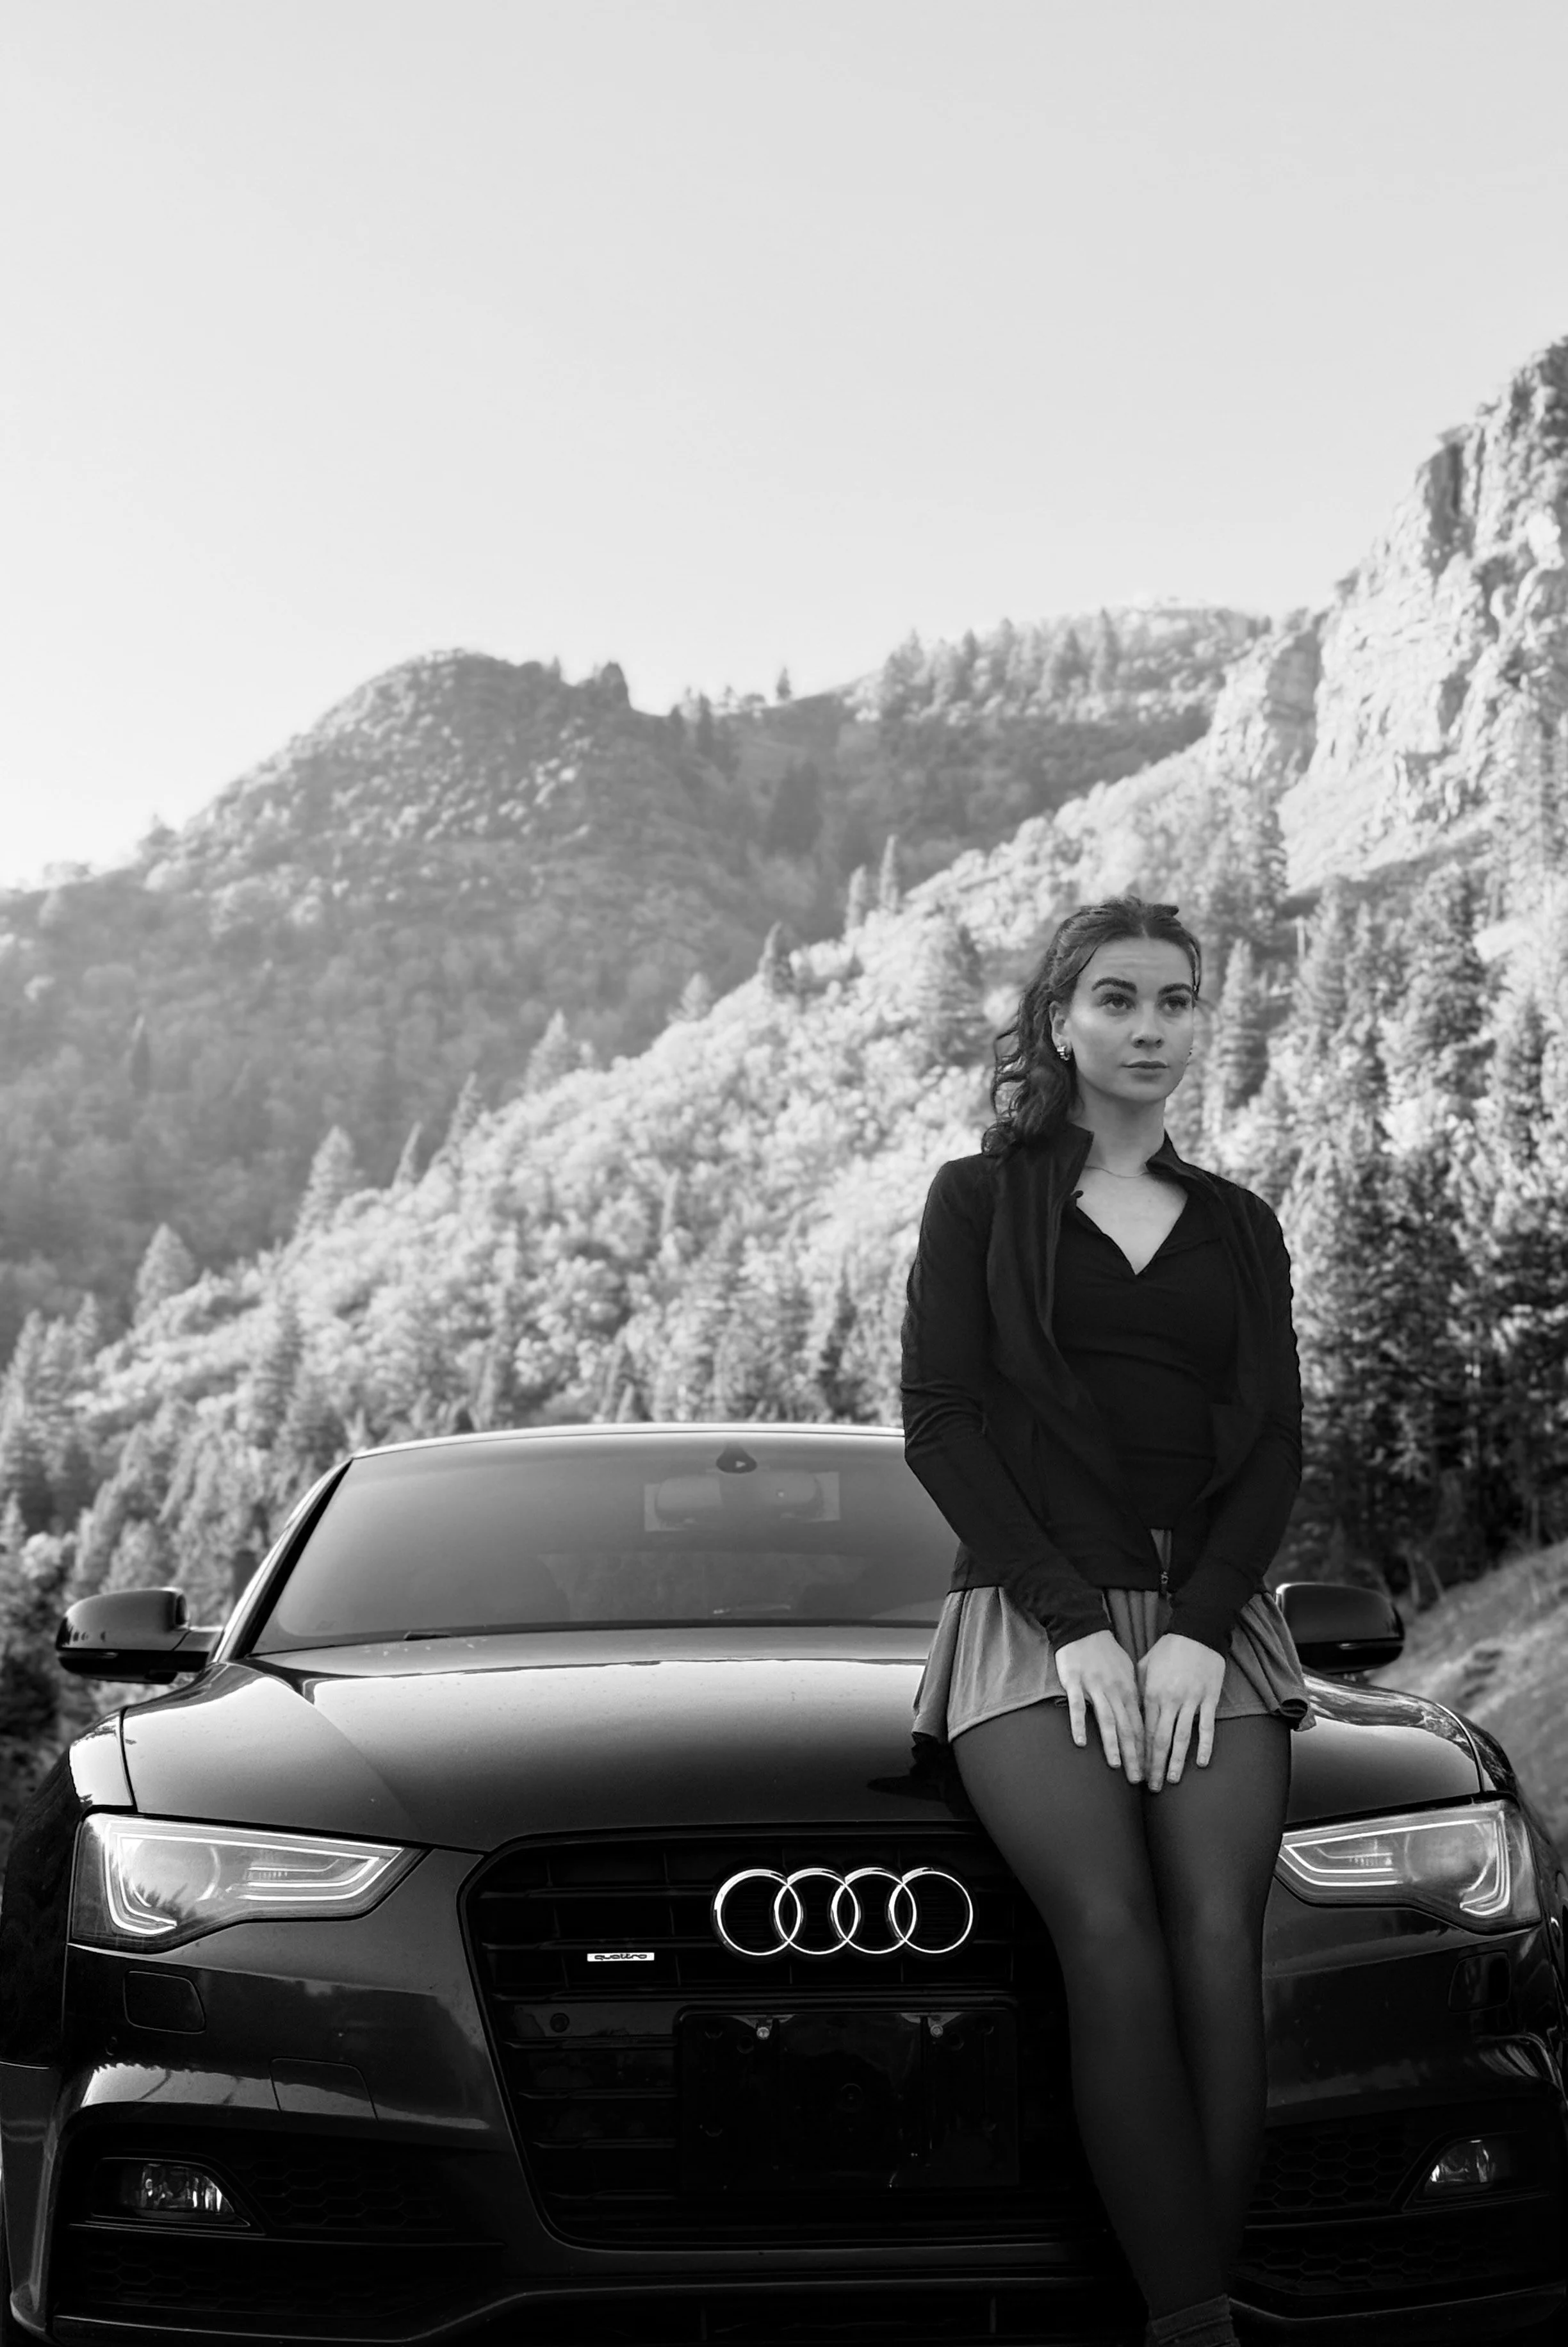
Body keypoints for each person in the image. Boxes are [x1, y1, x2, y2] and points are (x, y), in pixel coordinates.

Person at [902, 894, 1312, 2347]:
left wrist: (1201, 1626)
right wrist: (1075, 1617)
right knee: (1112, 1931)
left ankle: (1191, 2310)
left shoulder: (1243, 1224)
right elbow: (943, 1425)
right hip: (1032, 1622)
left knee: (1220, 1938)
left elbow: (1273, 1444)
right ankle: (1193, 2314)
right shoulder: (977, 1198)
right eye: (1121, 999)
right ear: (1061, 1018)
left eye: (1178, 1001)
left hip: (1215, 1626)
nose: (1152, 1028)